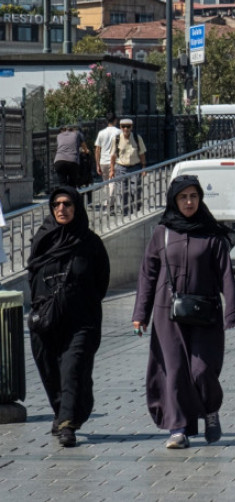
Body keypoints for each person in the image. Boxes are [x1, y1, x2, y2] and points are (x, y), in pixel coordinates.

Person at [132, 175, 235, 449]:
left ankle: (210, 409)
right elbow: (148, 274)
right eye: (183, 197)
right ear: (174, 200)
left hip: (205, 313)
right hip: (166, 313)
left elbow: (225, 274)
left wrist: (232, 312)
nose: (189, 201)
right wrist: (140, 314)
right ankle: (178, 428)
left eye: (193, 196)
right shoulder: (163, 232)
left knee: (201, 370)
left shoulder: (211, 234)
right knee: (174, 370)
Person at [27, 187, 110, 448]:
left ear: (77, 207)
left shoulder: (90, 243)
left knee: (73, 368)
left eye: (67, 204)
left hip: (81, 320)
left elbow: (101, 280)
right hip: (47, 319)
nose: (61, 209)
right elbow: (33, 275)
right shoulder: (43, 240)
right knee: (51, 371)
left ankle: (67, 424)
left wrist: (78, 298)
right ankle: (63, 411)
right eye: (56, 205)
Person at [109, 118, 146, 214]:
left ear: (131, 127)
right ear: (120, 127)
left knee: (136, 190)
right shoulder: (116, 139)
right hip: (121, 167)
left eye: (128, 127)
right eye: (123, 127)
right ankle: (125, 212)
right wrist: (112, 170)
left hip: (135, 167)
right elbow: (113, 155)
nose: (126, 129)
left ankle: (137, 208)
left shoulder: (137, 138)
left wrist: (143, 168)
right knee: (123, 191)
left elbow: (142, 154)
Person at [93, 114, 120, 211]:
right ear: (115, 120)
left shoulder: (101, 133)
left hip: (103, 161)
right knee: (113, 182)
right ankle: (110, 202)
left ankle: (106, 202)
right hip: (116, 160)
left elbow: (97, 149)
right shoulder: (119, 132)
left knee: (105, 183)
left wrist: (97, 164)